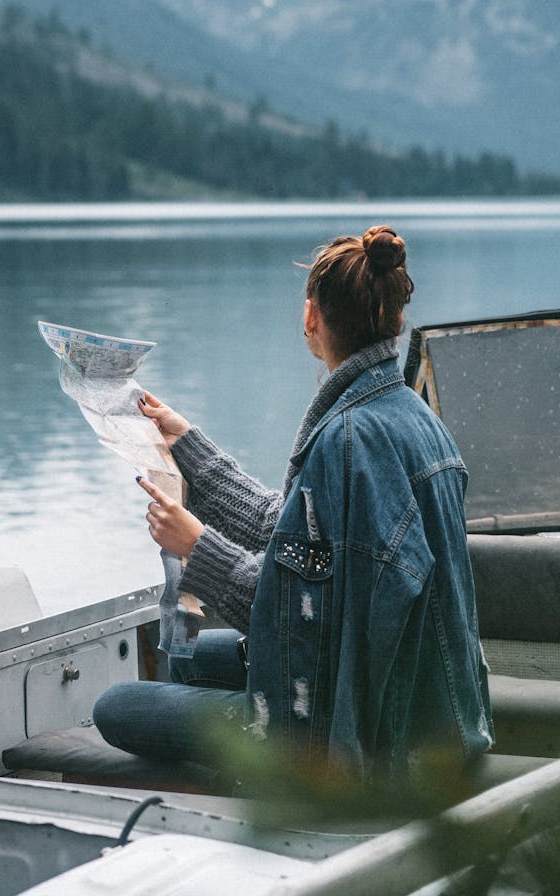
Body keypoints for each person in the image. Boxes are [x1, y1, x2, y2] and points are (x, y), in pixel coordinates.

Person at [94, 225, 492, 789]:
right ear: (392, 319)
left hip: (365, 733)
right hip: (429, 706)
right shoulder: (410, 415)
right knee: (184, 658)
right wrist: (188, 446)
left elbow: (300, 617)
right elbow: (302, 542)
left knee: (115, 705)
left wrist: (195, 547)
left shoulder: (348, 439)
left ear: (312, 318)